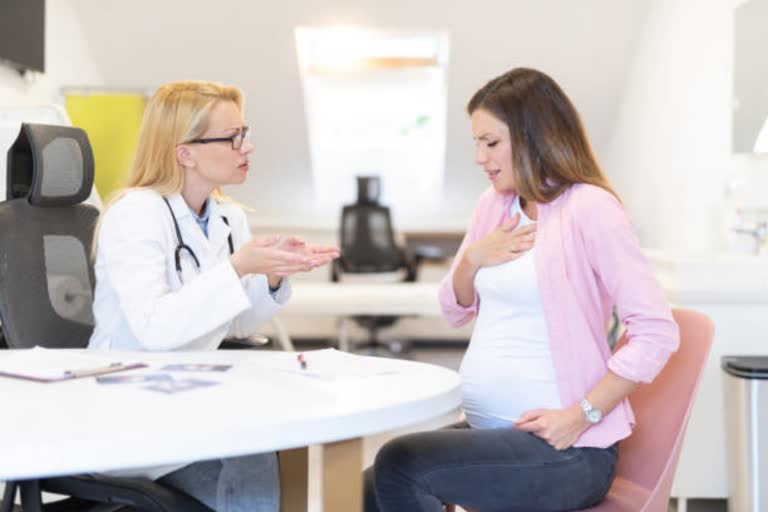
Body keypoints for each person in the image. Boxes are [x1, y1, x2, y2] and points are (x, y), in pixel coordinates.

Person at [364, 67, 680, 512]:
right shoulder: (493, 206)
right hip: (492, 434)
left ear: (534, 137)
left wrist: (580, 415)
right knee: (369, 484)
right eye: (476, 142)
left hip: (569, 451)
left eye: (490, 142)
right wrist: (474, 257)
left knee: (401, 463)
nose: (479, 157)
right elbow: (453, 308)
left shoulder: (589, 208)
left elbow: (656, 331)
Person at [88, 80, 339, 512]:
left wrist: (273, 276)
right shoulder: (135, 214)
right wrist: (239, 267)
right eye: (233, 137)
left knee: (262, 441)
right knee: (251, 452)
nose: (248, 147)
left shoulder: (227, 215)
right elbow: (154, 328)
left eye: (245, 133)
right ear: (185, 152)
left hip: (190, 397)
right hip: (130, 408)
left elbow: (238, 323)